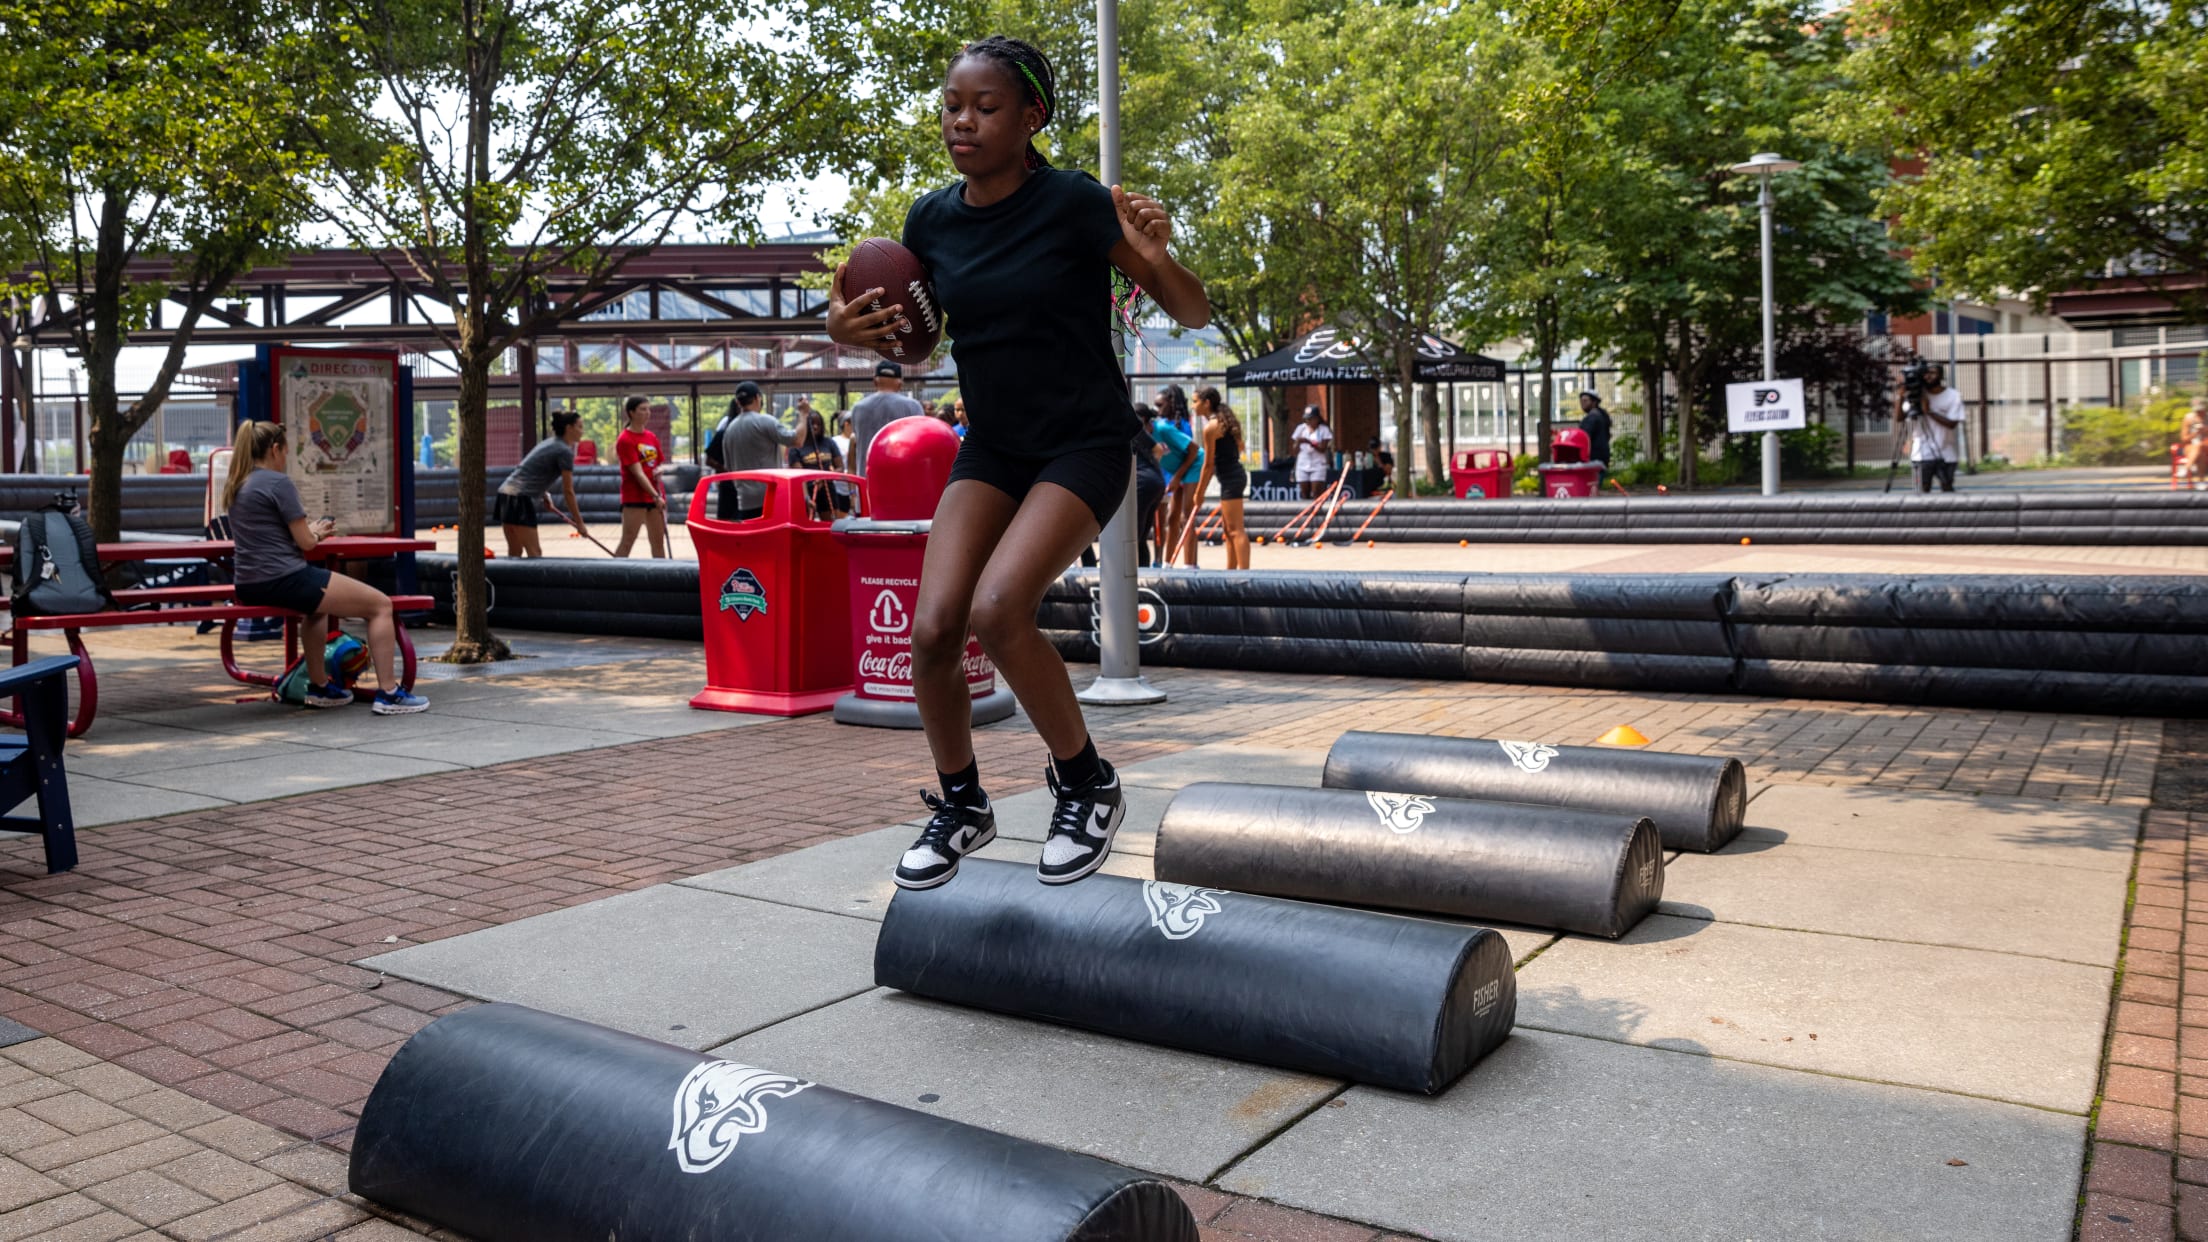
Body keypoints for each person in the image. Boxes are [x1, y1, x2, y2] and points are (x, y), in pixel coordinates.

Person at [825, 33, 1208, 890]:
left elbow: (1190, 306)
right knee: (931, 631)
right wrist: (841, 329)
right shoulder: (928, 220)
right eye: (953, 106)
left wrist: (1153, 259)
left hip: (1083, 442)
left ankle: (1086, 783)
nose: (963, 122)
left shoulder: (1073, 203)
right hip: (994, 446)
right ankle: (963, 802)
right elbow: (909, 337)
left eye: (985, 107)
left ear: (1031, 117)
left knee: (1000, 610)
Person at [221, 421, 429, 715]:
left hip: (249, 584)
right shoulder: (278, 483)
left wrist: (308, 532)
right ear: (274, 449)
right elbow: (306, 543)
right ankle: (389, 693)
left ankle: (320, 687)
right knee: (381, 605)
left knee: (317, 609)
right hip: (285, 577)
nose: (286, 459)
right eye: (286, 452)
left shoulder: (238, 483)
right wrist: (317, 532)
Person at [493, 410, 587, 557]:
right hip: (519, 499)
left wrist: (544, 495)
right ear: (569, 428)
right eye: (580, 427)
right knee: (535, 553)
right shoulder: (564, 451)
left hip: (505, 495)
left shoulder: (549, 443)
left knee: (515, 552)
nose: (583, 431)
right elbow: (568, 491)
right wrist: (579, 523)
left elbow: (530, 471)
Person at [709, 381, 803, 520]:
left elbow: (728, 468)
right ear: (758, 398)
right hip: (771, 496)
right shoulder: (766, 421)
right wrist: (804, 415)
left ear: (737, 402)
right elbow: (797, 440)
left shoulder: (729, 431)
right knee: (773, 539)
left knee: (753, 540)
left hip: (745, 501)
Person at [1189, 387, 1249, 568]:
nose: (1193, 406)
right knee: (1228, 529)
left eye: (1195, 401)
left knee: (1235, 529)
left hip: (1232, 478)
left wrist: (1199, 493)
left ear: (1206, 403)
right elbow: (1239, 447)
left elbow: (1207, 466)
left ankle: (1246, 576)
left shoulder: (1211, 428)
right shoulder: (1223, 421)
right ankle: (1230, 571)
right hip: (1233, 476)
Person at [612, 395, 668, 557]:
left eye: (648, 409)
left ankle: (662, 576)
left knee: (658, 542)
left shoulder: (651, 437)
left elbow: (658, 463)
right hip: (635, 498)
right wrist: (655, 495)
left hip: (655, 496)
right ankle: (613, 576)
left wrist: (659, 471)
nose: (648, 413)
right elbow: (637, 472)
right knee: (628, 540)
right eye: (643, 409)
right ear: (631, 413)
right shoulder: (625, 439)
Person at [1895, 363, 1965, 493]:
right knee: (1922, 490)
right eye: (1926, 373)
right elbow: (1900, 418)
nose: (1928, 376)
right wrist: (1901, 396)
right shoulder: (1916, 395)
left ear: (1941, 375)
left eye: (1933, 373)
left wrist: (1928, 411)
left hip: (1946, 453)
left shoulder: (1953, 395)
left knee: (1947, 487)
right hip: (1922, 454)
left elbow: (1952, 424)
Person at [850, 362, 925, 477]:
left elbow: (854, 443)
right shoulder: (913, 406)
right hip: (903, 478)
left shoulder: (858, 408)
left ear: (875, 381)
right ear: (900, 383)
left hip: (867, 480)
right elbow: (922, 443)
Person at [787, 408, 847, 519]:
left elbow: (840, 467)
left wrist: (825, 477)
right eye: (812, 424)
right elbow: (798, 476)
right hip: (806, 491)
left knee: (830, 526)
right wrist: (806, 498)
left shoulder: (829, 443)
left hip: (827, 489)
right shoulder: (796, 447)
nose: (815, 427)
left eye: (818, 424)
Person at [1292, 405, 1333, 499]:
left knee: (1316, 493)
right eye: (1306, 419)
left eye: (1311, 419)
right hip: (1303, 463)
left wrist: (1309, 442)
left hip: (1318, 464)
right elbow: (1294, 450)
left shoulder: (1323, 430)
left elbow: (1323, 449)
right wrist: (1297, 443)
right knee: (1304, 493)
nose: (1308, 422)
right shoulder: (1301, 428)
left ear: (1317, 418)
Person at [1577, 391, 1613, 466]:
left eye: (1585, 400)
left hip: (1593, 459)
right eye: (1581, 401)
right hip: (1601, 458)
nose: (1582, 403)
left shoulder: (1592, 417)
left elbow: (1584, 436)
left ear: (1594, 402)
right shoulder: (1601, 415)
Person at [2182, 398, 2207, 491]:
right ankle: (2201, 482)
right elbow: (2184, 438)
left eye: (2201, 410)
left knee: (2200, 448)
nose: (2199, 412)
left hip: (2206, 446)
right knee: (2199, 452)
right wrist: (2195, 433)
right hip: (2191, 447)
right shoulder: (2188, 418)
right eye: (2197, 410)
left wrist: (2205, 430)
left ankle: (2186, 468)